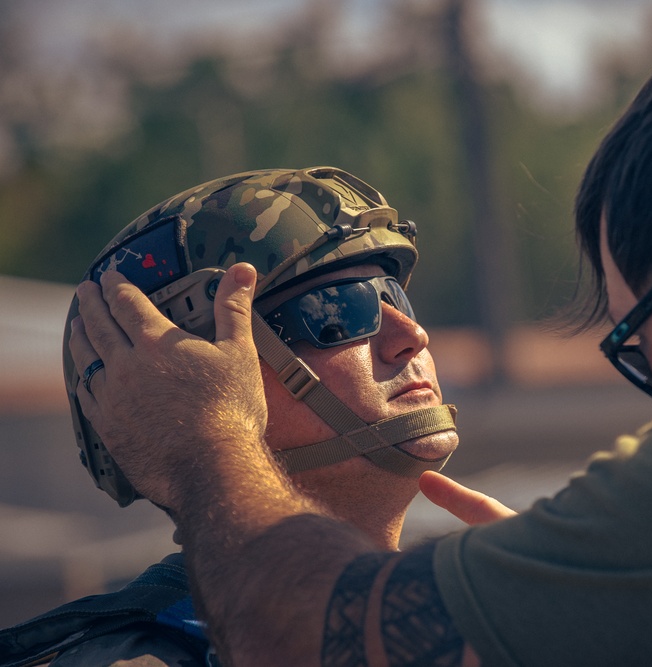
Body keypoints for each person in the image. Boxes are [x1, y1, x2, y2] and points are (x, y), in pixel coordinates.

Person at [57, 6, 652, 665]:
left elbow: (299, 640)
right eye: (334, 310)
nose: (404, 333)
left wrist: (208, 452)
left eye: (638, 344)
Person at [0, 166, 460, 666]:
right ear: (183, 382)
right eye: (340, 311)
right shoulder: (136, 658)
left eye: (396, 298)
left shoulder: (475, 608)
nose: (412, 335)